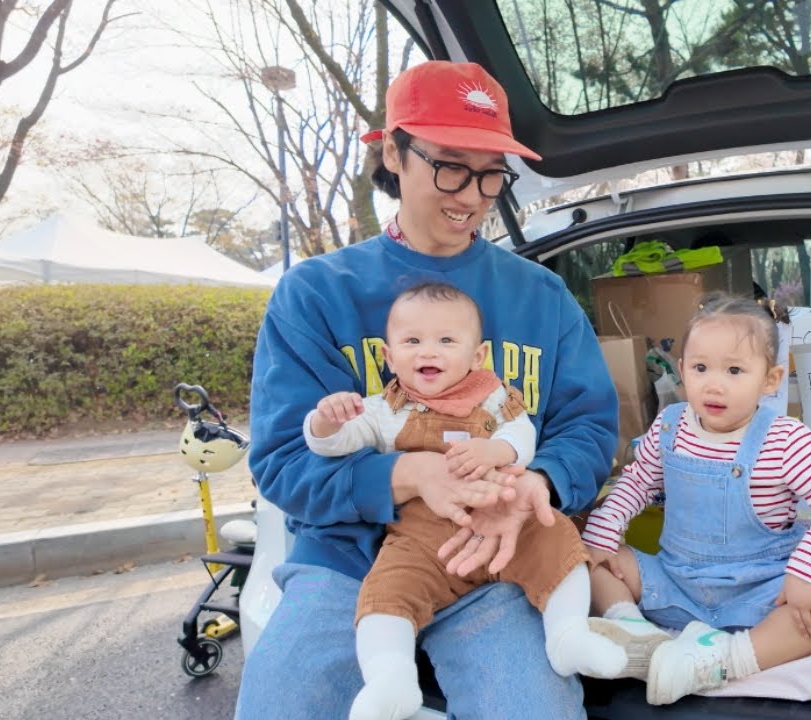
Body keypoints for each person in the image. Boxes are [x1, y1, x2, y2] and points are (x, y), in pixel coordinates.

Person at [236, 60, 620, 720]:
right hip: (344, 562)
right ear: (393, 152)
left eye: (491, 172)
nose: (471, 195)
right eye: (449, 165)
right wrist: (407, 473)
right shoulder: (318, 294)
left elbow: (587, 428)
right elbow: (282, 461)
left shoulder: (542, 298)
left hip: (494, 560)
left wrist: (541, 484)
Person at [304, 282, 625, 718]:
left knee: (558, 539)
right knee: (386, 595)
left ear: (476, 357)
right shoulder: (383, 409)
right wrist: (325, 421)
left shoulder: (492, 397)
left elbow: (522, 433)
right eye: (412, 341)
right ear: (388, 356)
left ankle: (567, 634)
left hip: (503, 517)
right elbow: (336, 444)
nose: (428, 352)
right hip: (424, 538)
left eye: (446, 341)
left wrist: (499, 451)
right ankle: (390, 679)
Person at [580, 293, 811, 705]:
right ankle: (639, 639)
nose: (714, 384)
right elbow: (637, 483)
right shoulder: (669, 426)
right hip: (677, 584)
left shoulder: (785, 439)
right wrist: (602, 539)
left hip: (760, 591)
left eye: (734, 370)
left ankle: (724, 660)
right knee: (590, 562)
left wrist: (807, 573)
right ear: (681, 371)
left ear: (770, 379)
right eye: (700, 368)